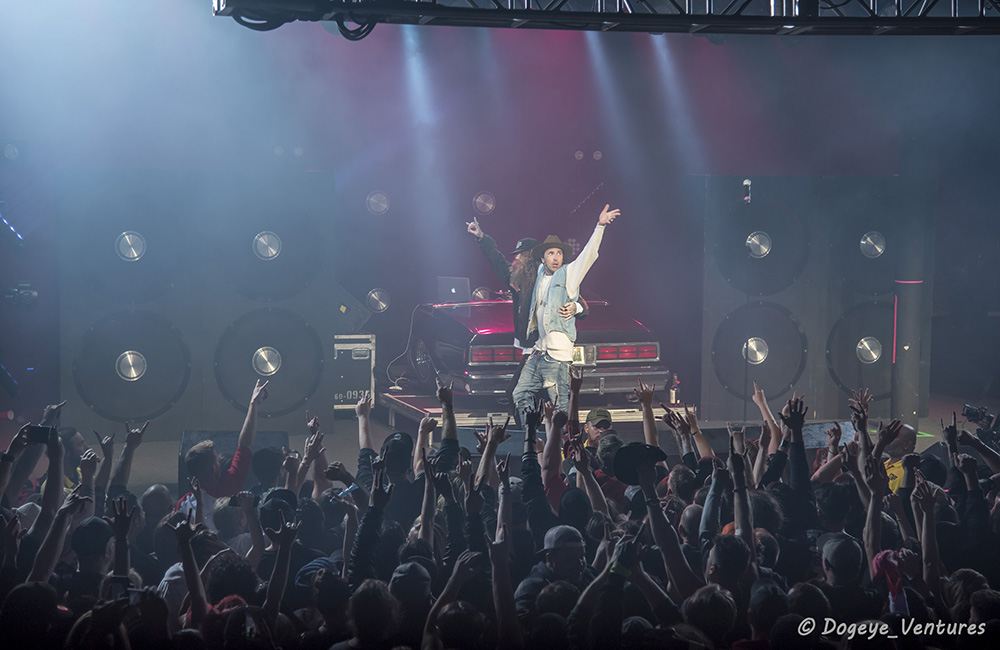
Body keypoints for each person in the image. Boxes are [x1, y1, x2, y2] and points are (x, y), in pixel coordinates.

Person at [466, 218, 586, 424]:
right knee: (538, 396)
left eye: (521, 255)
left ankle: (536, 435)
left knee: (521, 392)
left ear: (531, 257)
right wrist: (481, 238)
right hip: (532, 348)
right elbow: (498, 260)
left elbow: (579, 302)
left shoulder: (549, 278)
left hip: (544, 350)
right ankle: (540, 433)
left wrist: (577, 307)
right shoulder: (518, 277)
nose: (517, 259)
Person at [512, 204, 620, 415]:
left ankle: (562, 445)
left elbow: (589, 255)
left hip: (557, 355)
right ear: (542, 259)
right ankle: (531, 438)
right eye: (550, 253)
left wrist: (599, 227)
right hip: (539, 350)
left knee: (559, 406)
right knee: (520, 394)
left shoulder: (569, 274)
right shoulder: (541, 274)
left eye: (559, 253)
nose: (555, 257)